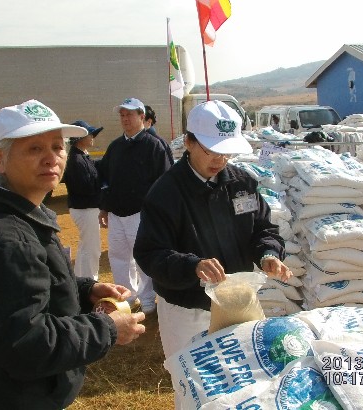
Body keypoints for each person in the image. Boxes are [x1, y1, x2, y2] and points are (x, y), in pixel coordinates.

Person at [0, 99, 145, 410]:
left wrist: (85, 289)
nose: (52, 157)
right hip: (6, 398)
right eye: (34, 148)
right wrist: (108, 329)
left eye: (58, 147)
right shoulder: (9, 240)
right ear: (0, 160)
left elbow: (20, 290)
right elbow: (27, 344)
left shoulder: (20, 217)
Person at [133, 100, 291, 407]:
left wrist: (268, 254)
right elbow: (150, 252)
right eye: (211, 151)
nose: (220, 160)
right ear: (189, 142)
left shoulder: (241, 184)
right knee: (193, 388)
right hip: (188, 308)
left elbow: (264, 229)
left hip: (239, 303)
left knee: (240, 384)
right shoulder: (166, 193)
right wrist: (192, 267)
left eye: (227, 152)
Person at [98, 98, 172, 314]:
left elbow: (164, 182)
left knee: (142, 257)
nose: (125, 119)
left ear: (142, 116)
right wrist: (104, 207)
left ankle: (147, 299)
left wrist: (157, 213)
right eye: (122, 115)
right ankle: (127, 297)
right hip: (116, 214)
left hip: (140, 214)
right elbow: (105, 179)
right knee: (118, 257)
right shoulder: (115, 147)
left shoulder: (154, 146)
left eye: (129, 114)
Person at [63, 120, 104, 280]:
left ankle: (80, 278)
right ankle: (90, 280)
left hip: (85, 208)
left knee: (86, 245)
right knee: (92, 247)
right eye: (90, 134)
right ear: (80, 138)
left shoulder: (81, 156)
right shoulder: (76, 160)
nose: (93, 137)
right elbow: (86, 188)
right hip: (85, 209)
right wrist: (104, 190)